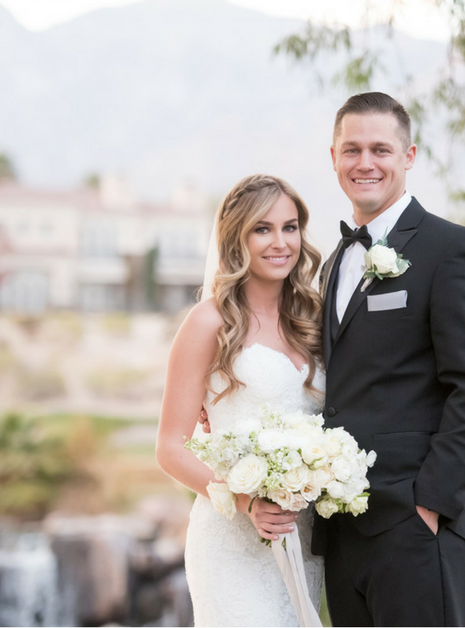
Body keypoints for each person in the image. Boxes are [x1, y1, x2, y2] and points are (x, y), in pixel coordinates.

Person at [313, 91, 465, 626]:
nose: (365, 163)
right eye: (351, 150)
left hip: (416, 524)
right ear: (333, 158)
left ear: (409, 156)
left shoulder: (453, 248)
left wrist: (430, 505)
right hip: (343, 527)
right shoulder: (333, 264)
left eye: (381, 149)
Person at [156, 174, 326, 626]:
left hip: (304, 539)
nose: (280, 242)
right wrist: (248, 502)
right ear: (237, 238)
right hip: (231, 543)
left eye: (290, 227)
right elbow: (170, 448)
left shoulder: (313, 319)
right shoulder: (208, 322)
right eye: (262, 229)